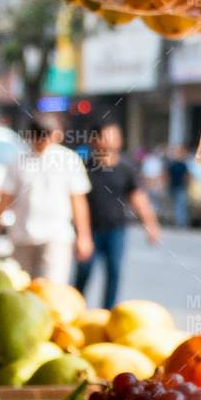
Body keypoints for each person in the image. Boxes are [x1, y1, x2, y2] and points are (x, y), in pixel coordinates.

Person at [0, 115, 92, 283]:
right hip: (23, 236)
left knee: (51, 290)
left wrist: (84, 235)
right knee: (23, 287)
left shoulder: (69, 160)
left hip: (56, 237)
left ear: (56, 135)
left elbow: (78, 201)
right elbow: (5, 199)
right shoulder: (18, 162)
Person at [74, 123, 161, 308]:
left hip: (116, 229)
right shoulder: (84, 166)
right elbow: (74, 199)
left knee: (114, 272)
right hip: (89, 230)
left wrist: (150, 225)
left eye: (115, 135)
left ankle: (108, 312)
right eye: (107, 135)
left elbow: (138, 197)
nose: (112, 139)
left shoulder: (126, 168)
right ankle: (75, 308)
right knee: (84, 272)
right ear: (94, 140)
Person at [165, 145, 192, 227]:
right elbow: (167, 175)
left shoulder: (183, 165)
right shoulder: (172, 164)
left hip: (180, 187)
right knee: (174, 205)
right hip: (173, 186)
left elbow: (186, 176)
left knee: (180, 205)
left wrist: (187, 185)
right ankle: (174, 221)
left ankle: (180, 222)